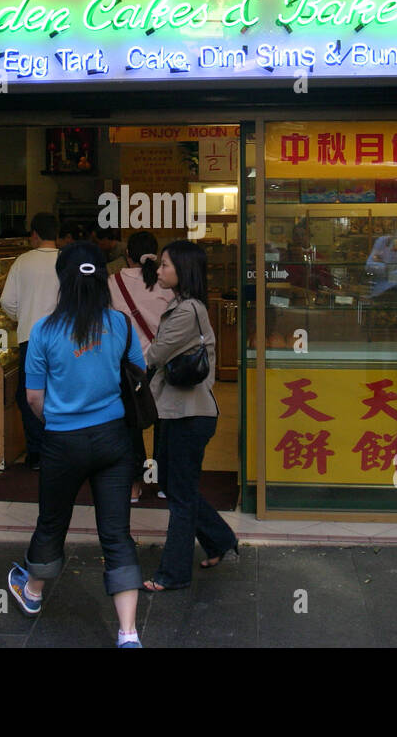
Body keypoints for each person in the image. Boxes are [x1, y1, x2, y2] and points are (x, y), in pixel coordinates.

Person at [6, 242, 146, 648]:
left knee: (52, 522)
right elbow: (138, 372)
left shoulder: (44, 331)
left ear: (62, 280)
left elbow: (34, 398)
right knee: (117, 534)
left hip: (62, 442)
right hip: (113, 440)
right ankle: (128, 634)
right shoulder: (119, 323)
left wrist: (58, 419)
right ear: (102, 278)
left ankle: (31, 593)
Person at [141, 240, 238, 592]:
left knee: (179, 495)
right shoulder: (183, 305)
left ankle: (174, 573)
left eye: (166, 265)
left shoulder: (186, 312)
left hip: (189, 415)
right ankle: (219, 539)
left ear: (183, 271)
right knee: (171, 484)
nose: (160, 270)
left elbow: (154, 355)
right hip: (176, 412)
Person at [108, 231, 174, 503]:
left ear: (127, 255)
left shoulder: (114, 282)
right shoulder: (166, 285)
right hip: (161, 361)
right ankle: (163, 483)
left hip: (128, 365)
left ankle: (134, 485)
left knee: (131, 425)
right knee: (164, 423)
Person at [0, 212, 61, 470]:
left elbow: (6, 302)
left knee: (29, 395)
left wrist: (22, 316)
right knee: (60, 394)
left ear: (34, 234)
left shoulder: (22, 262)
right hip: (62, 341)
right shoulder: (66, 260)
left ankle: (36, 452)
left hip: (29, 339)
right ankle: (60, 447)